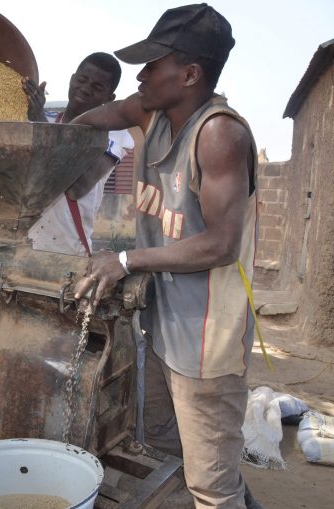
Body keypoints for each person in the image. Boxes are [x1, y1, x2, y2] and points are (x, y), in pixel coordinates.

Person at [72, 4, 262, 509]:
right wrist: (57, 136)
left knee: (211, 487)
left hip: (206, 340)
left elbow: (221, 244)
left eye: (154, 63)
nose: (141, 73)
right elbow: (98, 118)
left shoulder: (220, 134)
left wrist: (127, 260)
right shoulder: (149, 112)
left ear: (191, 74)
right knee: (161, 443)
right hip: (160, 325)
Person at [23, 53, 134, 256]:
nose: (85, 88)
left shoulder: (112, 134)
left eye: (97, 87)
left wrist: (40, 125)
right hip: (22, 245)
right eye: (82, 80)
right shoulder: (44, 119)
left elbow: (77, 187)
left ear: (109, 99)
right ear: (72, 79)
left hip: (67, 254)